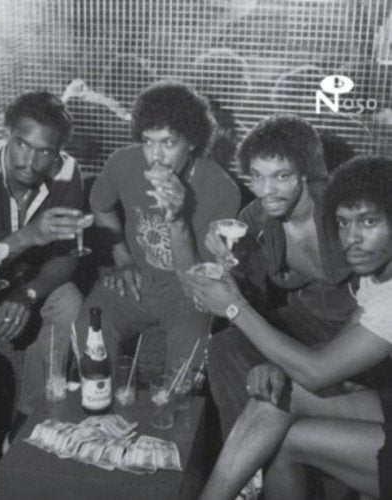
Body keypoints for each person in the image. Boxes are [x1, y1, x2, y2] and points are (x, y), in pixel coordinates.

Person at [189, 156, 392, 500]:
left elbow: (316, 373)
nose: (352, 238)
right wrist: (281, 367)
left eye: (369, 221)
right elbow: (334, 353)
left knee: (283, 437)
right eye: (343, 223)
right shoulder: (377, 275)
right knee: (275, 398)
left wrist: (235, 307)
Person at [204, 114, 361, 440]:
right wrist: (224, 257)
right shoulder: (255, 218)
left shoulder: (344, 212)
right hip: (306, 320)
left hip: (361, 330)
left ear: (305, 172)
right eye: (257, 176)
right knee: (224, 346)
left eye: (281, 176)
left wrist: (284, 363)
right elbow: (245, 290)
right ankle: (248, 455)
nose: (266, 190)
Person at [74, 82, 241, 375]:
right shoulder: (123, 162)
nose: (156, 156)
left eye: (168, 143)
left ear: (192, 142)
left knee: (187, 364)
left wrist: (176, 218)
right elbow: (100, 205)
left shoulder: (222, 190)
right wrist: (123, 259)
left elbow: (193, 284)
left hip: (185, 289)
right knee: (87, 332)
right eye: (148, 141)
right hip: (136, 279)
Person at [0, 91, 84, 420]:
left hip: (26, 279)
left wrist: (27, 293)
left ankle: (29, 421)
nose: (29, 162)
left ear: (58, 152)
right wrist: (28, 236)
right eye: (22, 144)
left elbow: (67, 258)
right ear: (7, 132)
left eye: (44, 152)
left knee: (70, 301)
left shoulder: (68, 172)